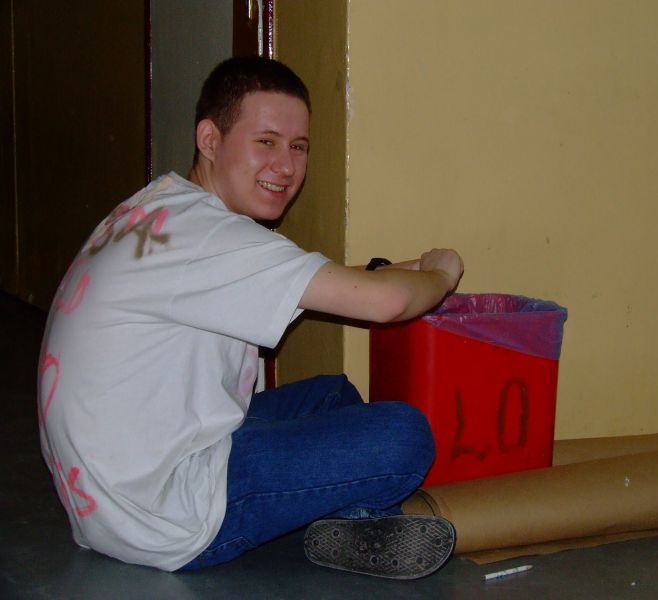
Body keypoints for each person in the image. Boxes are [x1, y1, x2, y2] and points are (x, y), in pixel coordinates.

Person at [37, 56, 463, 579]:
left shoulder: (163, 209)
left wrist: (398, 270)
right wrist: (443, 273)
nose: (286, 166)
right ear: (210, 139)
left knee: (330, 395)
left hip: (116, 488)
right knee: (403, 435)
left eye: (298, 147)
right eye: (266, 142)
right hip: (165, 515)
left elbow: (315, 285)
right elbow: (386, 304)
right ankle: (354, 517)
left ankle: (348, 520)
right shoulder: (211, 238)